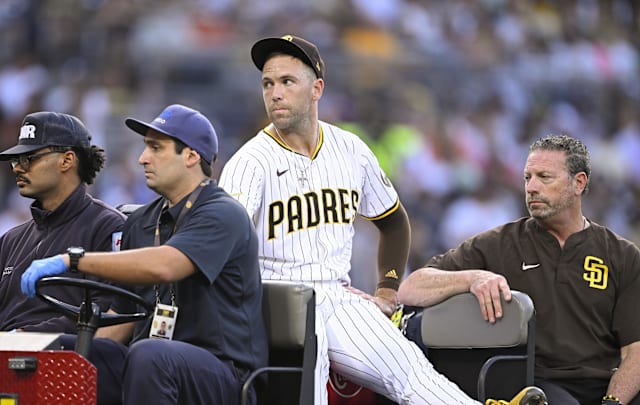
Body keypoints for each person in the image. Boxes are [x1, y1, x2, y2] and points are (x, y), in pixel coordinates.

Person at [218, 34, 546, 405]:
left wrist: (388, 290)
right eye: (268, 83)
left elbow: (393, 221)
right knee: (309, 373)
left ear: (317, 89)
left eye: (287, 81)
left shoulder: (350, 149)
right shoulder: (250, 162)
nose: (275, 93)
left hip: (336, 295)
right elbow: (227, 250)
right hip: (275, 294)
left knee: (410, 371)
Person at [19, 104, 268, 405]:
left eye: (155, 148)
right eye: (144, 148)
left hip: (224, 375)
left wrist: (71, 260)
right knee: (57, 352)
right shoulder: (140, 221)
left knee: (150, 354)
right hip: (152, 364)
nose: (142, 158)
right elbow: (123, 316)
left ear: (190, 156)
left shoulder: (222, 214)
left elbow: (165, 266)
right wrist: (77, 360)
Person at [397, 134, 640, 405]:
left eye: (544, 177)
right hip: (537, 386)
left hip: (607, 387)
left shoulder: (623, 255)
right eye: (527, 178)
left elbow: (635, 351)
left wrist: (613, 402)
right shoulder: (500, 243)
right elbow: (410, 287)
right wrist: (473, 278)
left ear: (578, 183)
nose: (532, 187)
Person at [0, 111, 125, 348]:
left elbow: (105, 313)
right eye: (16, 160)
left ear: (67, 160)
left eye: (29, 158)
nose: (17, 168)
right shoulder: (8, 241)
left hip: (63, 368)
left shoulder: (108, 227)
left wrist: (25, 336)